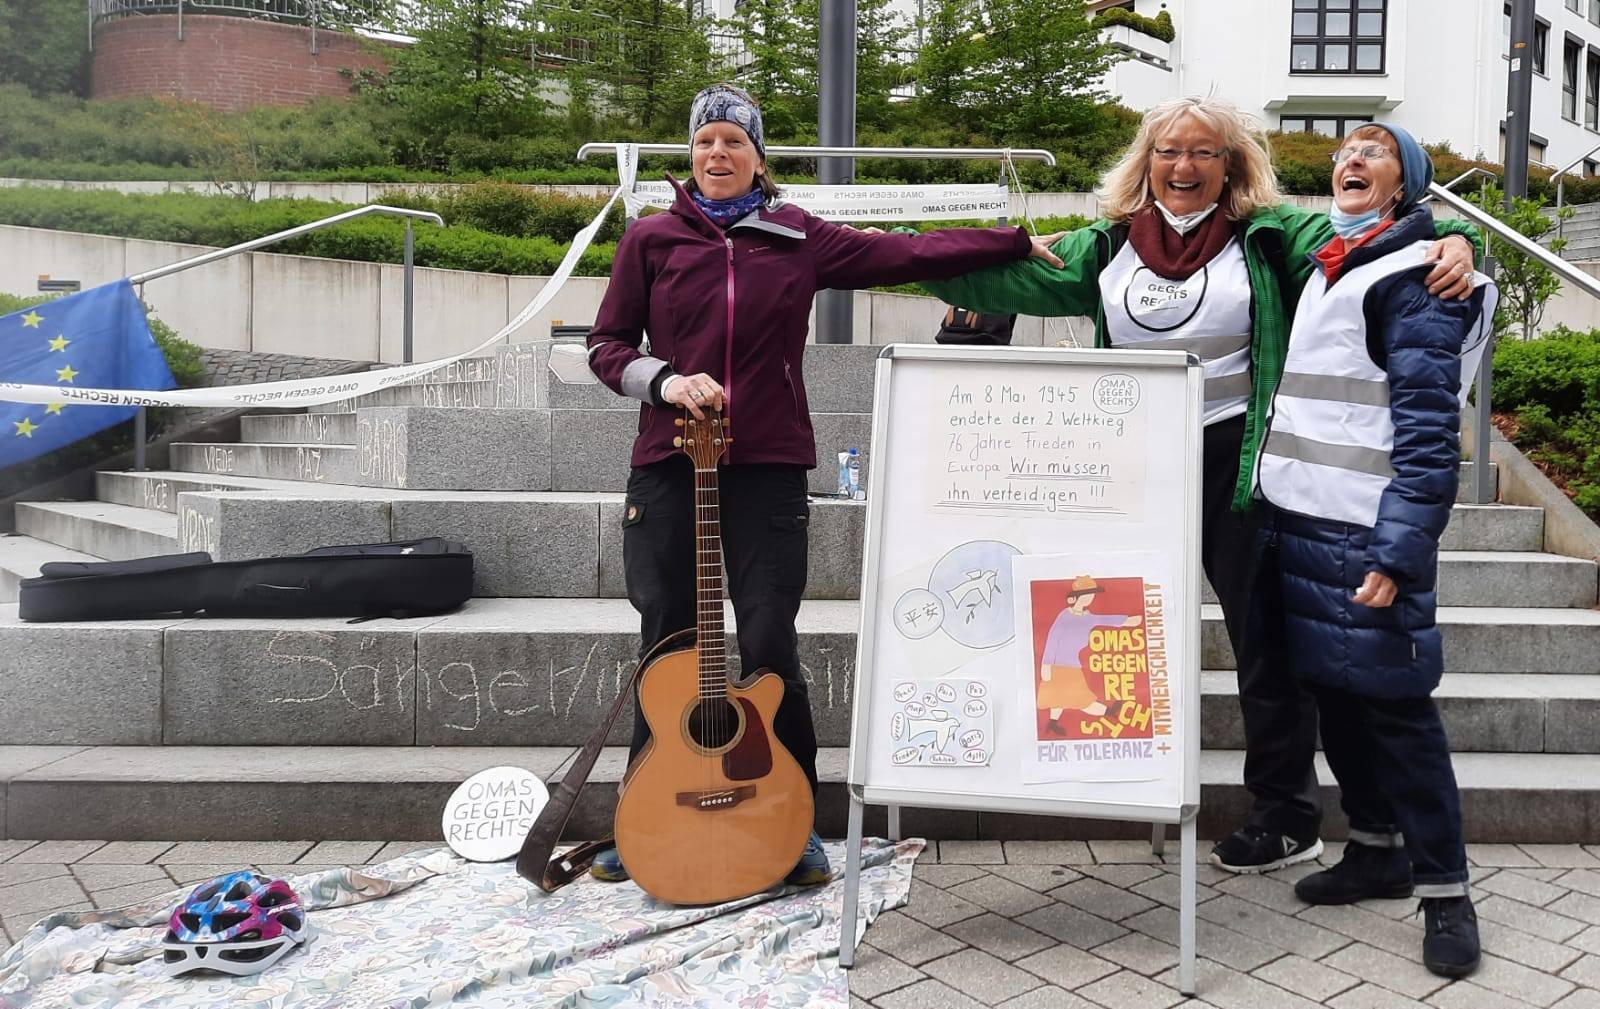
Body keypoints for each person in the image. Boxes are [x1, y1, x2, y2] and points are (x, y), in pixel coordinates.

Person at [915, 96, 1483, 875]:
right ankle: (1120, 783)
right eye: (1168, 152)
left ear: (1231, 165)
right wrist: (941, 262)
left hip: (1239, 464)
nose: (1183, 167)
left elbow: (1383, 235)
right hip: (1134, 465)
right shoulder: (1106, 245)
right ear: (1146, 163)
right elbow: (1009, 278)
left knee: (1265, 644)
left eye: (1203, 153)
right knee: (1107, 627)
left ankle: (1286, 814)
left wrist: (1461, 234)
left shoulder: (1272, 237)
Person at [583, 83, 1061, 887]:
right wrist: (663, 381)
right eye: (705, 143)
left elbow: (908, 253)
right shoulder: (652, 238)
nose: (718, 154)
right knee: (667, 644)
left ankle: (790, 816)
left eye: (735, 141)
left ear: (759, 158)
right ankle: (644, 812)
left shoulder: (796, 237)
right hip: (669, 466)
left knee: (770, 643)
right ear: (689, 156)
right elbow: (605, 345)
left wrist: (1010, 241)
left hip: (767, 467)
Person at [1256, 123, 1494, 978]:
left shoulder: (1418, 275)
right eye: (1347, 148)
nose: (1352, 159)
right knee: (1339, 701)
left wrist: (1398, 554)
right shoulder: (1335, 259)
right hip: (1303, 523)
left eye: (1376, 150)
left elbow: (1431, 434)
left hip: (1364, 531)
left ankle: (1447, 893)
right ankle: (1376, 850)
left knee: (1398, 712)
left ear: (1404, 185)